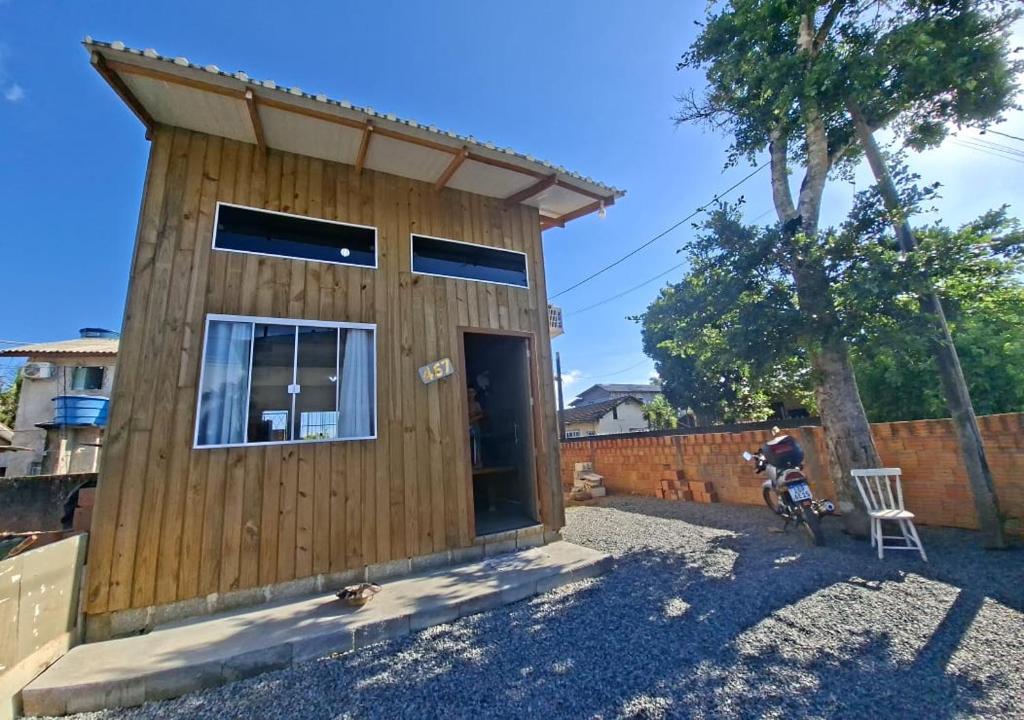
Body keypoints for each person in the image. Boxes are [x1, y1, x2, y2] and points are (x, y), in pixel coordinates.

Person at [467, 385, 485, 468]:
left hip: (475, 425)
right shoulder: (465, 404)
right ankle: (469, 463)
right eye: (469, 392)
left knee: (476, 444)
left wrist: (473, 419)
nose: (470, 394)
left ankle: (478, 462)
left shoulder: (476, 404)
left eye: (472, 392)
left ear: (475, 394)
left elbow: (481, 415)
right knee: (468, 444)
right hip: (467, 426)